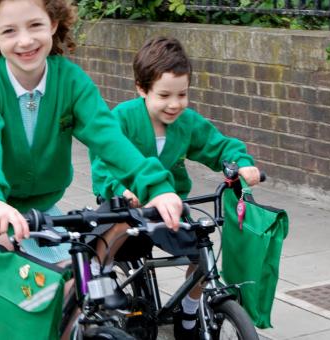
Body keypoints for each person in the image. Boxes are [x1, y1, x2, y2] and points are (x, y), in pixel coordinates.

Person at [0, 0, 185, 265]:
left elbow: (109, 138)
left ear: (53, 24)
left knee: (76, 282)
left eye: (35, 25)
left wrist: (155, 186)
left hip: (39, 208)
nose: (25, 41)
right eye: (9, 31)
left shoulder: (71, 80)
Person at [89, 36, 261, 339]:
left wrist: (241, 163)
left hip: (170, 207)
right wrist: (122, 191)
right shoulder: (123, 118)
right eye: (165, 95)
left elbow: (219, 146)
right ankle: (102, 282)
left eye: (182, 94)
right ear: (142, 89)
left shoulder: (187, 122)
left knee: (201, 251)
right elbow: (103, 161)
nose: (175, 104)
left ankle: (190, 309)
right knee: (112, 231)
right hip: (127, 204)